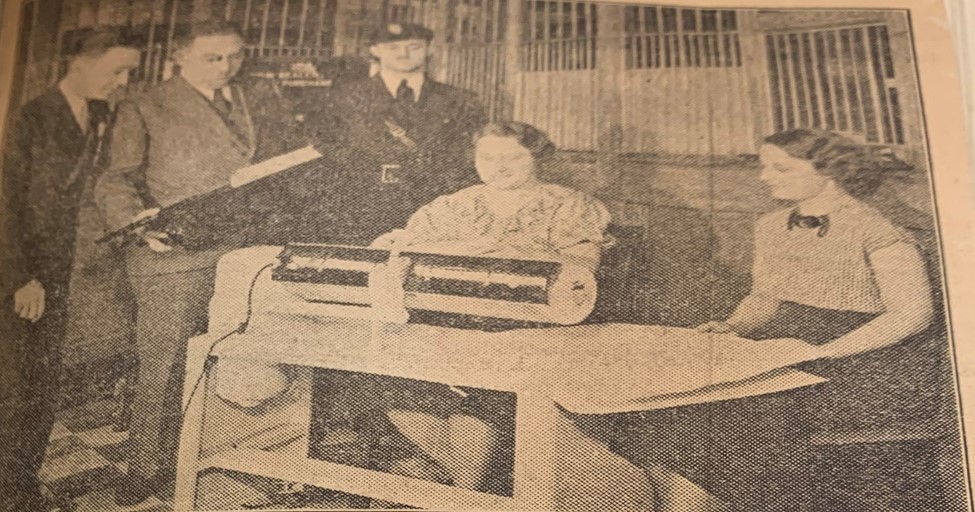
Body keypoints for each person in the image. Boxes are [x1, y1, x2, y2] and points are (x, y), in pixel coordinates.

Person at [649, 128, 934, 512]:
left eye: (781, 169)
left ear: (829, 169)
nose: (764, 177)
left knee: (749, 415)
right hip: (788, 342)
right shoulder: (771, 226)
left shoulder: (877, 230)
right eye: (765, 167)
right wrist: (734, 326)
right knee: (687, 402)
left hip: (864, 354)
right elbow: (766, 297)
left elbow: (912, 313)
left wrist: (825, 352)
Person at [332, 122, 610, 493]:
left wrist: (503, 254)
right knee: (388, 380)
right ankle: (462, 484)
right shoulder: (454, 204)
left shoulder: (568, 204)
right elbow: (404, 245)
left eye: (513, 157)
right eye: (488, 157)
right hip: (445, 317)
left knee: (480, 391)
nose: (499, 167)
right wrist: (396, 246)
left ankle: (465, 489)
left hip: (526, 325)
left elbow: (581, 271)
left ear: (538, 156)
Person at [94, 20, 293, 506]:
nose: (227, 67)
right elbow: (115, 180)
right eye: (213, 58)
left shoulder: (254, 97)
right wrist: (138, 227)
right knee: (165, 364)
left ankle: (230, 451)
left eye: (235, 56)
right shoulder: (145, 104)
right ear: (179, 57)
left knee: (242, 353)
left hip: (244, 249)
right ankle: (147, 466)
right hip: (176, 257)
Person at [0, 29, 141, 511]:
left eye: (130, 72)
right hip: (21, 274)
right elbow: (5, 205)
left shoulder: (100, 115)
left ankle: (21, 486)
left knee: (40, 388)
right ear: (79, 62)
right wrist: (20, 278)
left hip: (59, 274)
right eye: (117, 70)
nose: (123, 82)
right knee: (15, 389)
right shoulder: (28, 119)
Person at [302, 22, 487, 245]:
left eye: (414, 47)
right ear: (375, 50)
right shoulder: (342, 97)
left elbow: (471, 154)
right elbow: (323, 142)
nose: (404, 54)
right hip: (361, 207)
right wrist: (362, 167)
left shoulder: (460, 100)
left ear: (430, 49)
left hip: (433, 209)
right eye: (393, 47)